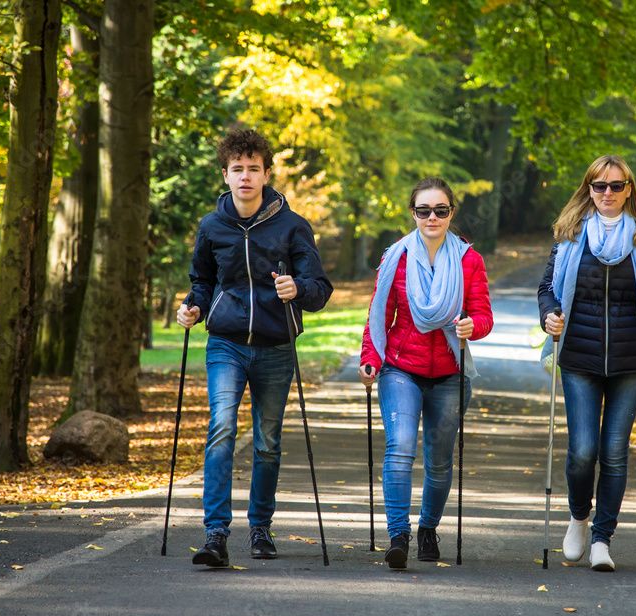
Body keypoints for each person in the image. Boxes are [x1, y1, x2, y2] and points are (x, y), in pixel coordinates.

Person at [177, 128, 333, 567]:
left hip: (276, 346)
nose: (245, 176)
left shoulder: (292, 225)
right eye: (237, 169)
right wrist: (192, 307)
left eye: (253, 169)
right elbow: (202, 282)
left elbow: (320, 289)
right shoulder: (212, 227)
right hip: (225, 343)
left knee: (267, 440)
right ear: (224, 175)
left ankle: (260, 528)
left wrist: (296, 287)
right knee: (222, 429)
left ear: (266, 174)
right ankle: (215, 534)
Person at [537, 155, 636, 572]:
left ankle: (602, 538)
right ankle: (579, 515)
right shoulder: (570, 234)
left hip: (631, 359)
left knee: (614, 452)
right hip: (578, 355)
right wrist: (549, 314)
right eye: (599, 186)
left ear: (629, 189)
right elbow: (548, 287)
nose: (608, 193)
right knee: (583, 451)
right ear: (589, 189)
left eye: (616, 186)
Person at [358, 177, 493, 569]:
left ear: (451, 213)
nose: (432, 217)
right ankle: (398, 534)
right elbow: (379, 313)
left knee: (438, 458)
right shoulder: (395, 257)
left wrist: (473, 327)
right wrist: (371, 357)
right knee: (400, 447)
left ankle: (428, 529)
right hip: (401, 368)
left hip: (450, 372)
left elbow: (483, 315)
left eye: (440, 210)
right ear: (413, 213)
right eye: (423, 210)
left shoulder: (470, 259)